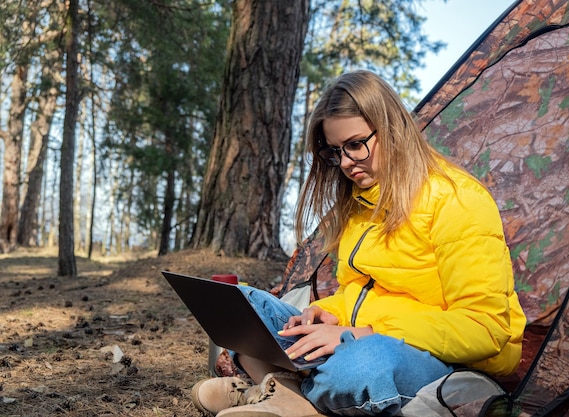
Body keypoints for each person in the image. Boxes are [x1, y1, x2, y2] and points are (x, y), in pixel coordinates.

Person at [190, 70, 526, 417]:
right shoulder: (363, 202)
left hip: (440, 363)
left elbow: (485, 329)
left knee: (361, 366)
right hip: (361, 340)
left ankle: (277, 391)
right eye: (335, 151)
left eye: (355, 144)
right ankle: (288, 395)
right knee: (249, 305)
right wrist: (329, 311)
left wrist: (360, 334)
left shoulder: (457, 200)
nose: (346, 163)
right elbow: (362, 290)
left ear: (392, 127)